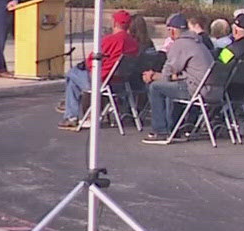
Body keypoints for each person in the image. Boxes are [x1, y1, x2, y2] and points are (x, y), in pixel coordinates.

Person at [60, 9, 139, 130]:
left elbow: (91, 59)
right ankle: (69, 113)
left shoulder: (110, 40)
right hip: (121, 82)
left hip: (101, 80)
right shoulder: (133, 42)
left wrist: (87, 66)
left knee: (72, 73)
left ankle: (70, 113)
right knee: (73, 82)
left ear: (115, 23)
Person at [141, 13, 213, 144]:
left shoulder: (180, 44)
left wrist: (152, 76)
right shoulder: (198, 42)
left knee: (155, 87)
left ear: (173, 31)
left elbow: (167, 73)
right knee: (170, 87)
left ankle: (160, 130)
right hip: (211, 90)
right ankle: (173, 127)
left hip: (196, 90)